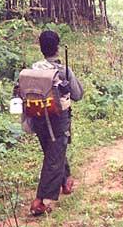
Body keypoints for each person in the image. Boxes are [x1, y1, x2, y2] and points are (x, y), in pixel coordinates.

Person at [28, 30, 84, 216]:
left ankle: (65, 180)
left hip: (37, 117)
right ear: (57, 48)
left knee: (54, 151)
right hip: (58, 120)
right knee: (54, 155)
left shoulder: (32, 69)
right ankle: (41, 201)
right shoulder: (63, 70)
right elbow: (77, 95)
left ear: (41, 48)